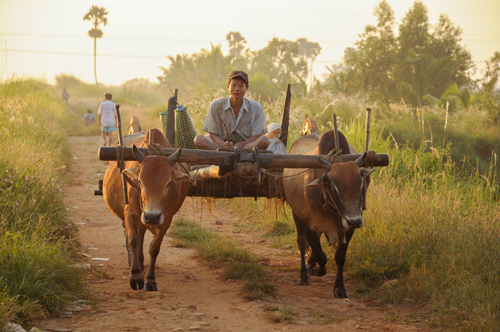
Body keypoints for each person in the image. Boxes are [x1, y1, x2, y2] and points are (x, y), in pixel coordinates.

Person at [193, 71, 270, 150]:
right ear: (228, 86)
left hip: (246, 146)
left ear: (246, 88)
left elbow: (257, 136)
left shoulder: (256, 107)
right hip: (220, 145)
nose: (237, 89)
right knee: (198, 139)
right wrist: (222, 144)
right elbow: (212, 133)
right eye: (233, 85)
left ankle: (235, 152)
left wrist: (241, 145)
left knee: (265, 140)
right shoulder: (216, 106)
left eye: (241, 86)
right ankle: (225, 151)